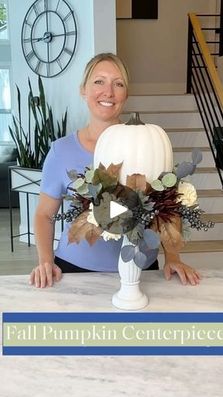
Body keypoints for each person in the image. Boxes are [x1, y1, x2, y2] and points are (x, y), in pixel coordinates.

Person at [29, 52, 201, 288]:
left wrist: (173, 258)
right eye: (99, 81)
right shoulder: (61, 151)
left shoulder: (147, 145)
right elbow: (44, 215)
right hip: (74, 273)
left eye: (118, 84)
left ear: (126, 94)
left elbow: (167, 207)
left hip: (141, 272)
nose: (108, 92)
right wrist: (45, 261)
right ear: (83, 90)